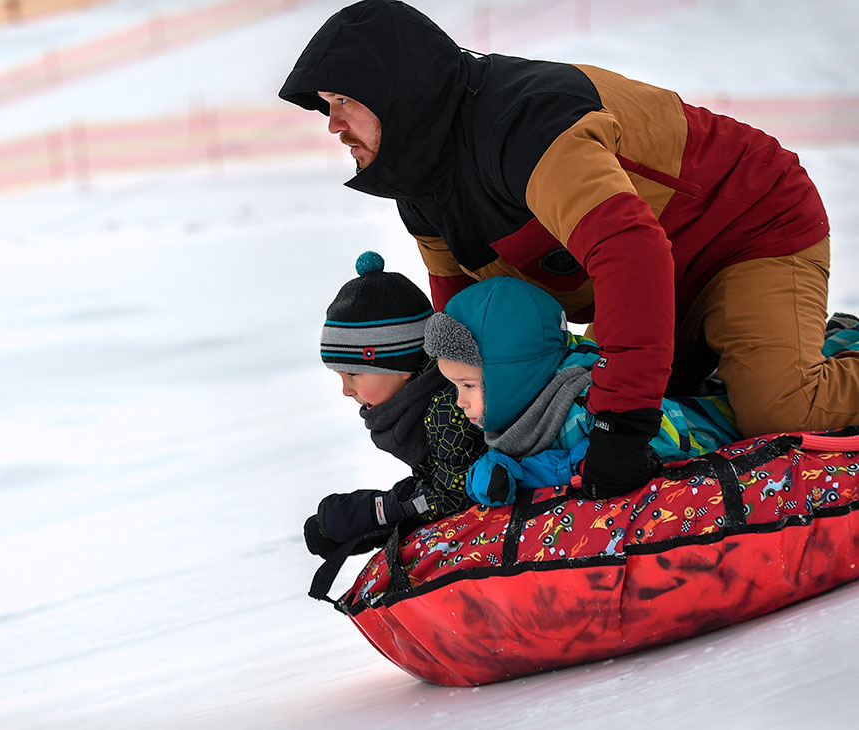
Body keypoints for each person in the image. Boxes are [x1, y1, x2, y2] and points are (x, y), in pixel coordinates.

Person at [279, 0, 859, 499]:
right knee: (635, 410)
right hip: (647, 284)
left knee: (777, 409)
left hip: (744, 229)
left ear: (394, 93)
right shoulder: (424, 189)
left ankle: (807, 355)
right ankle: (786, 345)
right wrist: (444, 440)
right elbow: (475, 327)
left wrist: (620, 420)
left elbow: (630, 254)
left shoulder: (527, 125)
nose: (333, 125)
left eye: (342, 101)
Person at [424, 276, 740, 503]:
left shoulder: (587, 402)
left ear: (512, 376)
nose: (460, 402)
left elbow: (659, 446)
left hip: (717, 433)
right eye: (456, 387)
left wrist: (568, 465)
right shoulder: (520, 420)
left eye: (468, 386)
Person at [303, 251, 489, 560]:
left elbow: (457, 498)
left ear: (399, 364)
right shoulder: (417, 402)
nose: (346, 391)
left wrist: (376, 513)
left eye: (352, 374)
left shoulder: (448, 406)